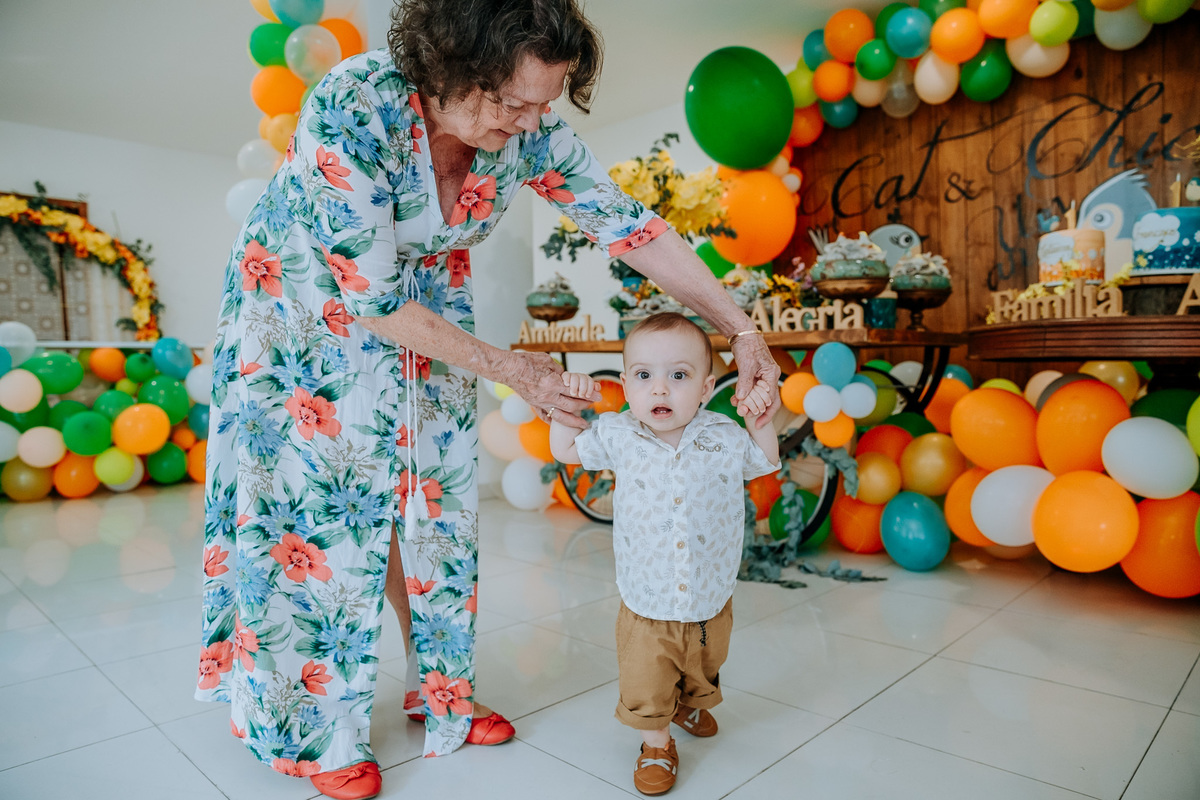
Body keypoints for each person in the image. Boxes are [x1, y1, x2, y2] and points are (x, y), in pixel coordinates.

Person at [196, 1, 781, 797]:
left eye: (548, 100)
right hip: (306, 304)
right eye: (513, 101)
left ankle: (439, 690)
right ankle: (316, 730)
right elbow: (370, 298)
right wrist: (517, 370)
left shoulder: (530, 129)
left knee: (434, 494)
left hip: (430, 306)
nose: (534, 120)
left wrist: (741, 328)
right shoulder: (353, 102)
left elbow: (630, 228)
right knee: (326, 503)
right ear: (448, 69)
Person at [548, 313, 780, 796]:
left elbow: (763, 461)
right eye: (644, 376)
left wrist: (760, 423)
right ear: (627, 384)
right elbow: (568, 450)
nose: (660, 390)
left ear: (706, 386)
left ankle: (690, 702)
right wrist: (563, 409)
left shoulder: (724, 435)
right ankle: (655, 742)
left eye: (678, 376)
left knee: (706, 658)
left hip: (709, 589)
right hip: (647, 595)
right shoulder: (617, 434)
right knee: (646, 673)